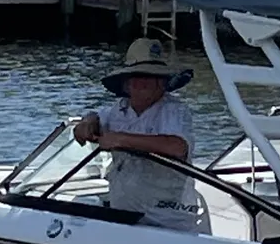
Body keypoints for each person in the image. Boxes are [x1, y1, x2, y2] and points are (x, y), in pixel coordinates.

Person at [73, 37, 203, 231]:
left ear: (162, 83)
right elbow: (88, 123)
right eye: (137, 76)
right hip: (125, 218)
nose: (143, 82)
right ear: (126, 83)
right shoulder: (119, 109)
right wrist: (87, 123)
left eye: (151, 77)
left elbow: (177, 146)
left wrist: (120, 139)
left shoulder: (174, 110)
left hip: (167, 222)